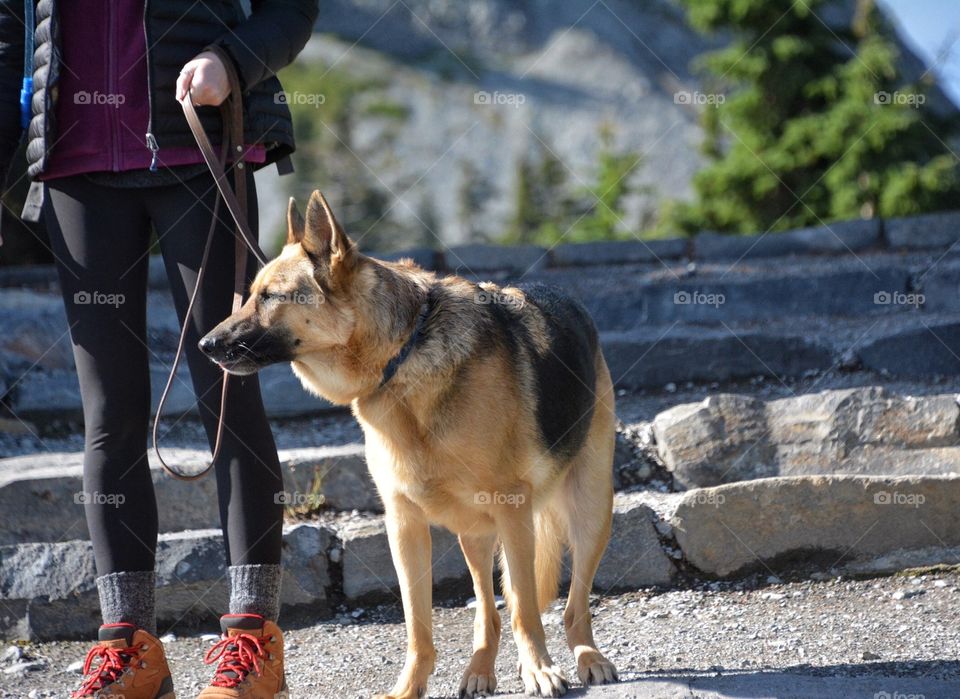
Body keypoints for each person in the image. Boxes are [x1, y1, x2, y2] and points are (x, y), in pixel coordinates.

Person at [15, 1, 318, 697]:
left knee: (227, 391)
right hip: (75, 163)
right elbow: (11, 33)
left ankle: (252, 639)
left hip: (199, 147)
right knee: (108, 411)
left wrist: (231, 62)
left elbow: (292, 8)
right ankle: (129, 650)